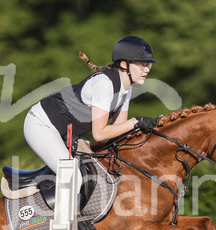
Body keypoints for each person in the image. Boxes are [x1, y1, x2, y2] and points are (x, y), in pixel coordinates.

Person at [23, 35, 160, 211]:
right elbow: (100, 134)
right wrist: (137, 122)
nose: (147, 69)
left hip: (62, 132)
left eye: (148, 65)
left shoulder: (126, 90)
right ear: (124, 64)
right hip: (41, 125)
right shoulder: (104, 84)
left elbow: (115, 134)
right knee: (73, 177)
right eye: (142, 64)